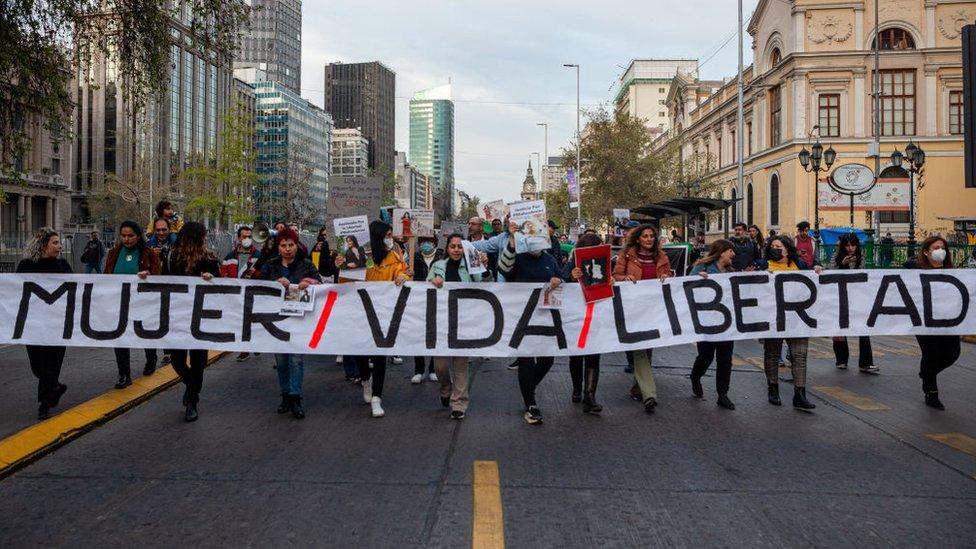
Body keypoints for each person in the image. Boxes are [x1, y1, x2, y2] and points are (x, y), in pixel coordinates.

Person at [498, 219, 564, 425]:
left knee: (547, 360)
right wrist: (511, 241)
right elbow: (503, 269)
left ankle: (529, 388)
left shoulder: (550, 260)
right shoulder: (518, 257)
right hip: (521, 318)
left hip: (544, 318)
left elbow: (562, 278)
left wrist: (559, 280)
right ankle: (531, 404)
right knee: (526, 360)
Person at [258, 227, 323, 419]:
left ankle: (296, 397)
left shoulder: (306, 265)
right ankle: (285, 394)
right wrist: (275, 283)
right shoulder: (270, 266)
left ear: (296, 245)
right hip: (278, 321)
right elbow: (261, 287)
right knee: (282, 360)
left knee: (296, 359)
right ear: (278, 247)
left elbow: (320, 284)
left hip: (299, 320)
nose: (287, 249)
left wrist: (309, 282)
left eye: (291, 245)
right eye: (284, 245)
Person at [162, 222, 220, 422]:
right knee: (177, 359)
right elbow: (162, 283)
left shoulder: (209, 259)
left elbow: (221, 285)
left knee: (198, 361)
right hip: (178, 316)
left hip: (201, 317)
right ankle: (191, 387)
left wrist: (211, 278)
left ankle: (192, 401)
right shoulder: (171, 257)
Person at [612, 224, 672, 414]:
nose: (649, 239)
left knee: (648, 348)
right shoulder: (627, 255)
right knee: (639, 349)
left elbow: (669, 274)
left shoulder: (662, 257)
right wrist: (625, 278)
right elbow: (616, 275)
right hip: (634, 309)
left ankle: (637, 387)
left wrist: (665, 276)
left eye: (651, 236)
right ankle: (649, 394)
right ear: (638, 238)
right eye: (645, 236)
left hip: (654, 308)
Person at [427, 233, 487, 420]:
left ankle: (459, 403)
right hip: (442, 322)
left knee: (461, 365)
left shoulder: (472, 266)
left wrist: (484, 266)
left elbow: (484, 285)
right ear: (447, 248)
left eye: (460, 247)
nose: (456, 250)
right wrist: (432, 281)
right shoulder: (437, 266)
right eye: (453, 246)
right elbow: (425, 290)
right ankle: (446, 387)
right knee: (440, 366)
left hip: (464, 321)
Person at [354, 220, 409, 418]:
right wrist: (341, 266)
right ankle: (365, 379)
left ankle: (377, 398)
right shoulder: (361, 256)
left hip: (384, 313)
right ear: (378, 236)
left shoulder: (394, 256)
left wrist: (403, 275)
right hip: (361, 312)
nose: (390, 238)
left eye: (391, 234)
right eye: (387, 234)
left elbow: (404, 271)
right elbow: (347, 281)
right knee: (360, 352)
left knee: (379, 355)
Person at [17, 228, 72, 419]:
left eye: (59, 243)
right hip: (32, 324)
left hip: (57, 325)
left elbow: (76, 290)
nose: (59, 246)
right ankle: (55, 387)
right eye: (55, 243)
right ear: (42, 245)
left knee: (50, 365)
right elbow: (14, 290)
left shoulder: (63, 265)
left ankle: (45, 403)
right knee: (37, 366)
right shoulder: (26, 265)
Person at [762, 235, 822, 411]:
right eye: (772, 246)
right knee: (772, 354)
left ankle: (800, 394)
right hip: (774, 319)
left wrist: (817, 270)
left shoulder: (801, 265)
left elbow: (813, 281)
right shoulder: (763, 266)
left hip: (798, 319)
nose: (775, 248)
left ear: (788, 249)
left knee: (799, 355)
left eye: (778, 246)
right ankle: (773, 389)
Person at [904, 236, 961, 410]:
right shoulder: (916, 268)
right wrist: (918, 265)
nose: (940, 251)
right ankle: (931, 392)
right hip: (924, 320)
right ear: (926, 252)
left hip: (947, 320)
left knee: (953, 353)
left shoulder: (951, 271)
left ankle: (927, 373)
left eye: (942, 247)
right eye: (935, 248)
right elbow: (905, 267)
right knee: (931, 353)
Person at [103, 220, 161, 388]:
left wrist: (149, 275)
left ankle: (151, 358)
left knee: (145, 334)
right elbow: (106, 275)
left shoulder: (148, 253)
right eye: (123, 236)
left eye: (131, 236)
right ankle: (124, 374)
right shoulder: (113, 253)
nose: (127, 239)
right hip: (118, 302)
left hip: (142, 302)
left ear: (138, 236)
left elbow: (158, 277)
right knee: (120, 338)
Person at [688, 240, 738, 410]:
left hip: (726, 325)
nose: (733, 254)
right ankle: (695, 376)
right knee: (706, 357)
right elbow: (685, 286)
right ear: (722, 252)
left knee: (725, 360)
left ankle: (722, 394)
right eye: (731, 251)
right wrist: (697, 279)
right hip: (707, 323)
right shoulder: (702, 268)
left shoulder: (731, 271)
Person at [565, 233, 607, 415]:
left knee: (593, 354)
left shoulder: (606, 262)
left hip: (595, 314)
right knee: (576, 355)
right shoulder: (571, 262)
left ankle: (589, 395)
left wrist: (612, 281)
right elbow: (558, 279)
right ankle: (577, 388)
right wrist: (570, 276)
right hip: (576, 315)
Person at [830, 233, 878, 374]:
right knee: (839, 328)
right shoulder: (836, 256)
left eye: (853, 245)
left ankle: (866, 362)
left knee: (863, 328)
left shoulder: (860, 256)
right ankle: (841, 360)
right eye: (847, 245)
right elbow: (832, 273)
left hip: (857, 297)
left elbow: (861, 275)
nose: (850, 248)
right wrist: (843, 264)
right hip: (840, 297)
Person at [410, 236, 442, 384]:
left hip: (437, 300)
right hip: (418, 301)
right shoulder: (413, 258)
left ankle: (433, 369)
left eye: (428, 241)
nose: (426, 245)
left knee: (435, 334)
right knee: (418, 334)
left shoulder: (442, 257)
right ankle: (419, 370)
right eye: (422, 242)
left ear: (434, 243)